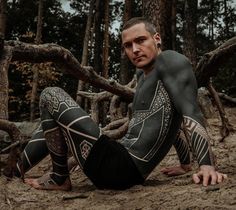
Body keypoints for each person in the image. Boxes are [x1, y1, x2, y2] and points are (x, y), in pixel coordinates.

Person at [11, 17, 227, 191]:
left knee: (50, 94)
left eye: (141, 40)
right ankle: (13, 172)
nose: (134, 49)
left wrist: (207, 165)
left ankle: (58, 178)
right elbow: (171, 119)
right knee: (51, 119)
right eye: (128, 45)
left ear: (157, 38)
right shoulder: (144, 77)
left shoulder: (170, 61)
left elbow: (189, 111)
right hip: (117, 161)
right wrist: (184, 164)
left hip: (121, 168)